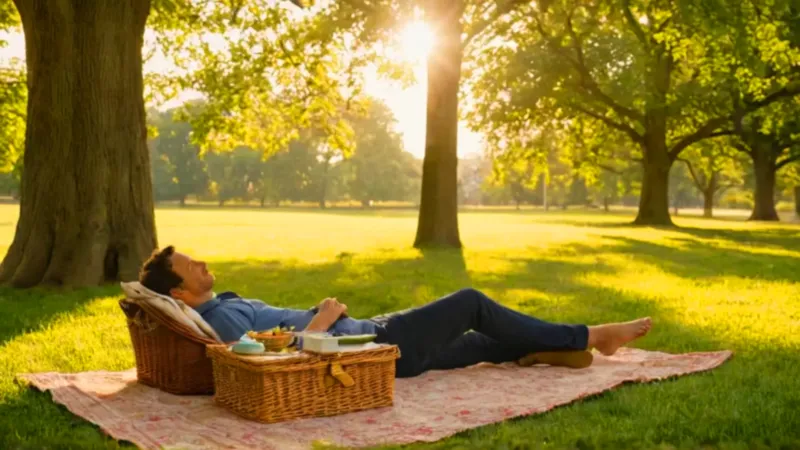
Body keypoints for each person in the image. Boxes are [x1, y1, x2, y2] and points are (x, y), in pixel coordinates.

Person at [139, 246, 652, 378]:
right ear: (180, 294)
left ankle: (539, 353)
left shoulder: (225, 305)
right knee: (469, 302)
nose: (202, 263)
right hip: (379, 346)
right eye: (191, 266)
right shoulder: (225, 321)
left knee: (478, 345)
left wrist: (320, 314)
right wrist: (321, 320)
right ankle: (593, 334)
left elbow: (274, 336)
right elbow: (260, 364)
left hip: (375, 340)